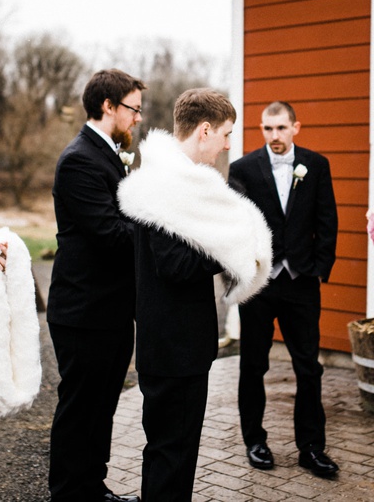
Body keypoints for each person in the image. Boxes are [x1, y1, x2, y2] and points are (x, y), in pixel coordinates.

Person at [118, 88, 272, 502]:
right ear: (204, 130)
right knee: (172, 454)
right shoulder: (166, 187)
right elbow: (176, 266)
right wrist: (229, 248)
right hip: (173, 348)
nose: (227, 144)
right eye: (225, 134)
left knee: (175, 454)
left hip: (177, 345)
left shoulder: (173, 182)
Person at [47, 68, 146, 502]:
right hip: (84, 312)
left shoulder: (107, 153)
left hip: (110, 310)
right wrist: (161, 227)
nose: (138, 118)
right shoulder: (80, 160)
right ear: (108, 106)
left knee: (102, 408)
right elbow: (110, 233)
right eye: (133, 109)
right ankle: (69, 493)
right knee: (80, 410)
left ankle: (92, 486)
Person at [227, 101, 340, 477]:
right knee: (253, 365)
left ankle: (311, 448)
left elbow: (327, 220)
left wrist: (319, 269)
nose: (274, 136)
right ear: (261, 130)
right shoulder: (242, 169)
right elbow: (237, 225)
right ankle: (254, 441)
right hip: (258, 285)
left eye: (281, 128)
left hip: (301, 282)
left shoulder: (316, 164)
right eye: (267, 129)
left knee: (308, 367)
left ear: (295, 128)